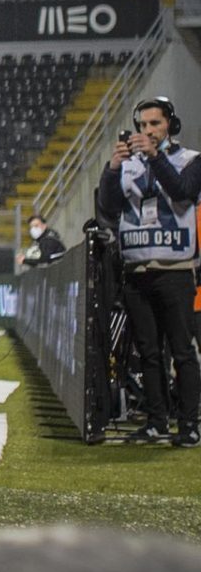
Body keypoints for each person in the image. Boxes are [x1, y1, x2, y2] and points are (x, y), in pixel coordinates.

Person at [97, 96, 200, 448]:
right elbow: (107, 208)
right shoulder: (128, 165)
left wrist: (154, 157)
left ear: (170, 123)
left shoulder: (191, 160)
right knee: (149, 352)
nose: (148, 131)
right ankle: (156, 421)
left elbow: (182, 191)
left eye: (155, 124)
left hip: (175, 270)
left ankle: (188, 425)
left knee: (182, 352)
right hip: (137, 272)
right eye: (143, 125)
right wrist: (111, 170)